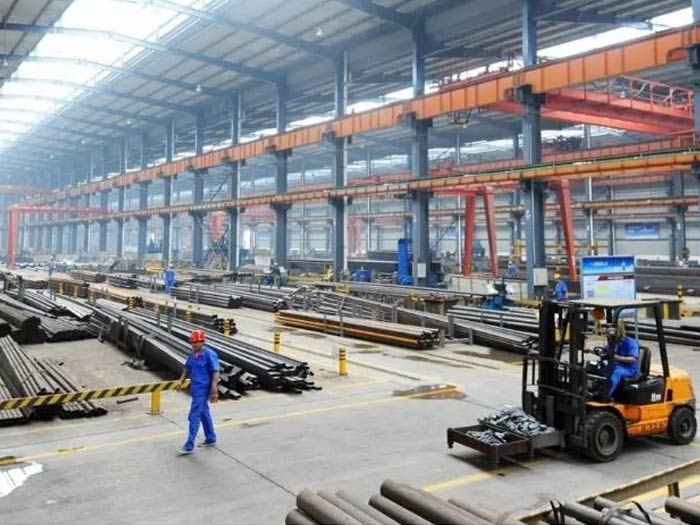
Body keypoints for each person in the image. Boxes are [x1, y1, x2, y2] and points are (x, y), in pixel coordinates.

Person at [178, 330, 220, 455]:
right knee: (203, 413)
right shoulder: (193, 354)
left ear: (203, 342)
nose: (194, 345)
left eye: (196, 342)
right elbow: (187, 367)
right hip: (195, 389)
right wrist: (181, 380)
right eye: (192, 342)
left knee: (194, 416)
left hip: (203, 389)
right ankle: (211, 438)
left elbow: (215, 372)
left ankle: (189, 445)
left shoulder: (209, 354)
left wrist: (214, 389)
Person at [602, 324, 640, 400]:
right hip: (616, 365)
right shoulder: (612, 342)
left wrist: (617, 357)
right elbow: (605, 350)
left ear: (619, 332)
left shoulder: (630, 342)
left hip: (629, 369)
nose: (609, 336)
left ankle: (606, 396)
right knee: (598, 367)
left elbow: (633, 359)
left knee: (616, 373)